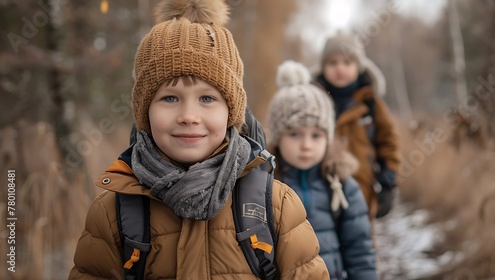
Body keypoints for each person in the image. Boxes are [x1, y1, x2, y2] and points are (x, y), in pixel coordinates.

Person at [68, 1, 329, 279]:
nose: (189, 116)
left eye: (207, 98)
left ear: (231, 111)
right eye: (170, 98)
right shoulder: (112, 213)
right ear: (145, 111)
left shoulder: (276, 205)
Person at [266, 60, 377, 280]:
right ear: (278, 139)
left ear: (328, 138)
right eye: (295, 134)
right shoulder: (265, 186)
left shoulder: (341, 185)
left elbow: (359, 249)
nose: (306, 145)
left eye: (316, 135)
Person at [315, 31, 401, 225]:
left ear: (359, 66)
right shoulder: (314, 101)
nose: (340, 68)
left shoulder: (370, 102)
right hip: (320, 193)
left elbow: (388, 139)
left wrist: (389, 177)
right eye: (333, 63)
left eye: (347, 62)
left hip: (362, 191)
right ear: (323, 67)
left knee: (360, 246)